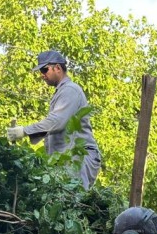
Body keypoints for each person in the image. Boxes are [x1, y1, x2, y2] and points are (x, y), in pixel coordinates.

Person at [6, 50, 102, 189]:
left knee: (72, 201)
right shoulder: (61, 92)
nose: (42, 75)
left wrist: (24, 131)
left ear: (57, 68)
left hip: (79, 157)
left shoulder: (70, 90)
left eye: (45, 70)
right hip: (66, 159)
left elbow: (56, 122)